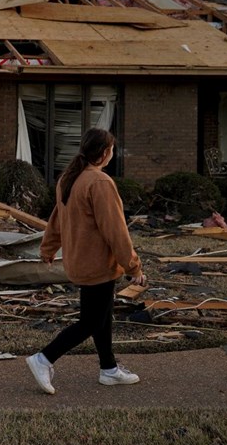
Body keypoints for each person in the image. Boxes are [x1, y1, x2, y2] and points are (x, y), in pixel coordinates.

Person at [26, 128, 146, 395]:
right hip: (98, 265)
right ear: (104, 153)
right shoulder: (99, 182)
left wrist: (47, 249)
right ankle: (43, 359)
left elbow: (56, 219)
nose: (112, 154)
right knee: (91, 322)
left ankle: (109, 369)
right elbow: (115, 230)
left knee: (102, 318)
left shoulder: (70, 179)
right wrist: (133, 267)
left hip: (79, 262)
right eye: (112, 149)